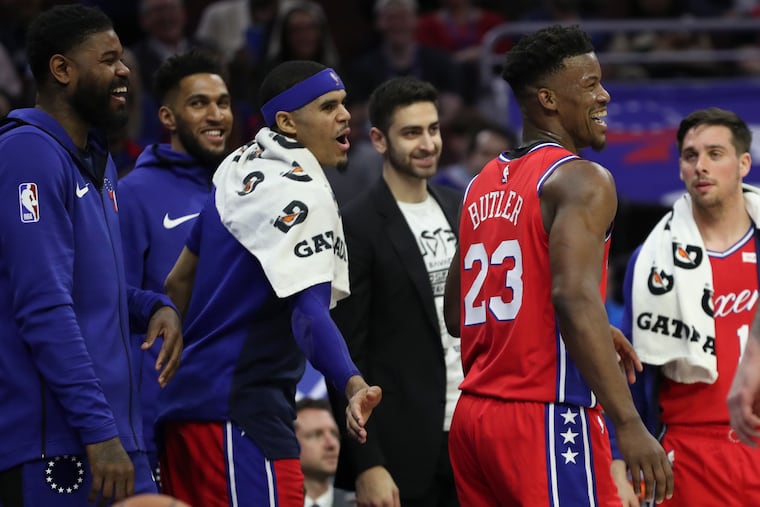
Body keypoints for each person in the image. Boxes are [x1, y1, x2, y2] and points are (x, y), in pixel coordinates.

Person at [442, 24, 674, 506]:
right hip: (547, 419)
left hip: (473, 420)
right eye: (590, 84)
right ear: (548, 99)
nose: (605, 95)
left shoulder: (480, 183)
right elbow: (570, 296)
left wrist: (563, 324)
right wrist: (629, 423)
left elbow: (457, 317)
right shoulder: (582, 180)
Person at [156, 60, 382, 507]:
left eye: (343, 104)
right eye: (328, 106)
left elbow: (177, 280)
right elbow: (308, 312)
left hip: (187, 413)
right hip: (242, 417)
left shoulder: (237, 173)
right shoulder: (305, 193)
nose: (345, 116)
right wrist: (352, 382)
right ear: (287, 123)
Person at [0, 4, 183, 505]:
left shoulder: (95, 163)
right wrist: (99, 432)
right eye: (108, 59)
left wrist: (151, 305)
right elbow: (43, 305)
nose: (124, 70)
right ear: (62, 70)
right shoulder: (28, 153)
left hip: (114, 441)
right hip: (59, 448)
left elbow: (90, 288)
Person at [610, 107, 760, 506]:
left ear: (744, 163)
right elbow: (630, 367)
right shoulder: (650, 260)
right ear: (680, 169)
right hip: (688, 452)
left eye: (715, 153)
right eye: (691, 156)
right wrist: (618, 455)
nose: (701, 166)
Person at [329, 76, 461, 507]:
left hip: (477, 434)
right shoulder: (357, 224)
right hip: (405, 451)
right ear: (379, 140)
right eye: (411, 133)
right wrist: (367, 463)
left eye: (433, 129)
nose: (427, 144)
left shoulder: (464, 208)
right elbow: (346, 355)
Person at [118, 48, 233, 480]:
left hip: (232, 405)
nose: (216, 114)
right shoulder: (134, 194)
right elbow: (115, 297)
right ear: (167, 117)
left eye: (222, 103)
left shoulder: (241, 190)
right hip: (161, 414)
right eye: (199, 103)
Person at [295, 398, 355, 507]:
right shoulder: (268, 501)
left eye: (334, 434)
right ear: (290, 444)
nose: (331, 444)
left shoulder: (360, 503)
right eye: (316, 435)